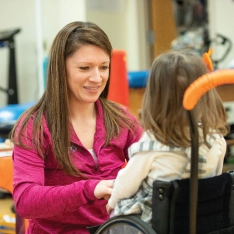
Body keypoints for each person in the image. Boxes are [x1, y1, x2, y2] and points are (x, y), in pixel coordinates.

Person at [10, 21, 143, 234]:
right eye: (84, 68)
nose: (97, 78)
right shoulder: (34, 126)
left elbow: (151, 161)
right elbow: (26, 200)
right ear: (61, 69)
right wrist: (90, 189)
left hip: (115, 228)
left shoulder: (121, 119)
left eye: (104, 67)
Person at [106, 49, 228, 225]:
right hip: (201, 224)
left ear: (155, 98)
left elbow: (125, 186)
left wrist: (111, 203)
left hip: (156, 225)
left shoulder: (152, 144)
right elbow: (214, 180)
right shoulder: (216, 140)